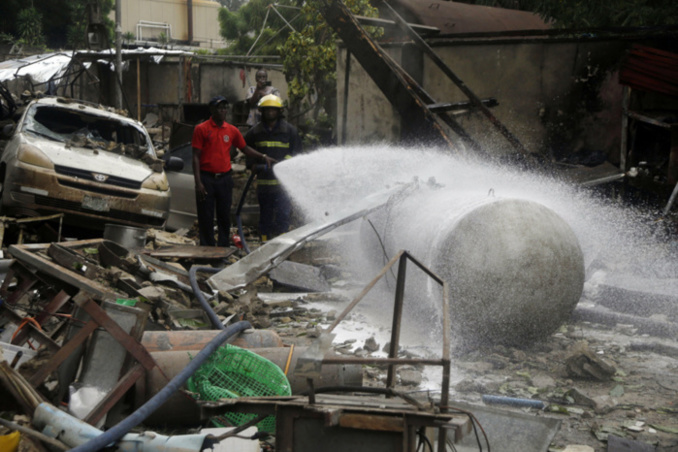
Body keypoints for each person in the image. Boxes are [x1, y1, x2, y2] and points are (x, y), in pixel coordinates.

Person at [192, 95, 275, 247]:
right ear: (212, 109)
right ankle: (207, 250)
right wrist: (198, 183)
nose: (223, 110)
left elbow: (245, 148)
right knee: (206, 216)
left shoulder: (231, 130)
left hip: (224, 179)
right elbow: (196, 157)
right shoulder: (201, 129)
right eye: (219, 107)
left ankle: (223, 249)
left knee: (224, 215)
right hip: (206, 179)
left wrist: (263, 156)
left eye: (225, 107)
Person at [245, 94, 302, 241]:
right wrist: (254, 165)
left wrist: (284, 165)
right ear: (261, 111)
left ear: (279, 111)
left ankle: (282, 244)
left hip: (284, 184)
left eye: (273, 110)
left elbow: (297, 154)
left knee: (283, 214)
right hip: (264, 183)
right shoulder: (255, 132)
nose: (270, 112)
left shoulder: (290, 131)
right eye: (267, 109)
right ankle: (264, 242)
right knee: (265, 215)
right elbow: (247, 150)